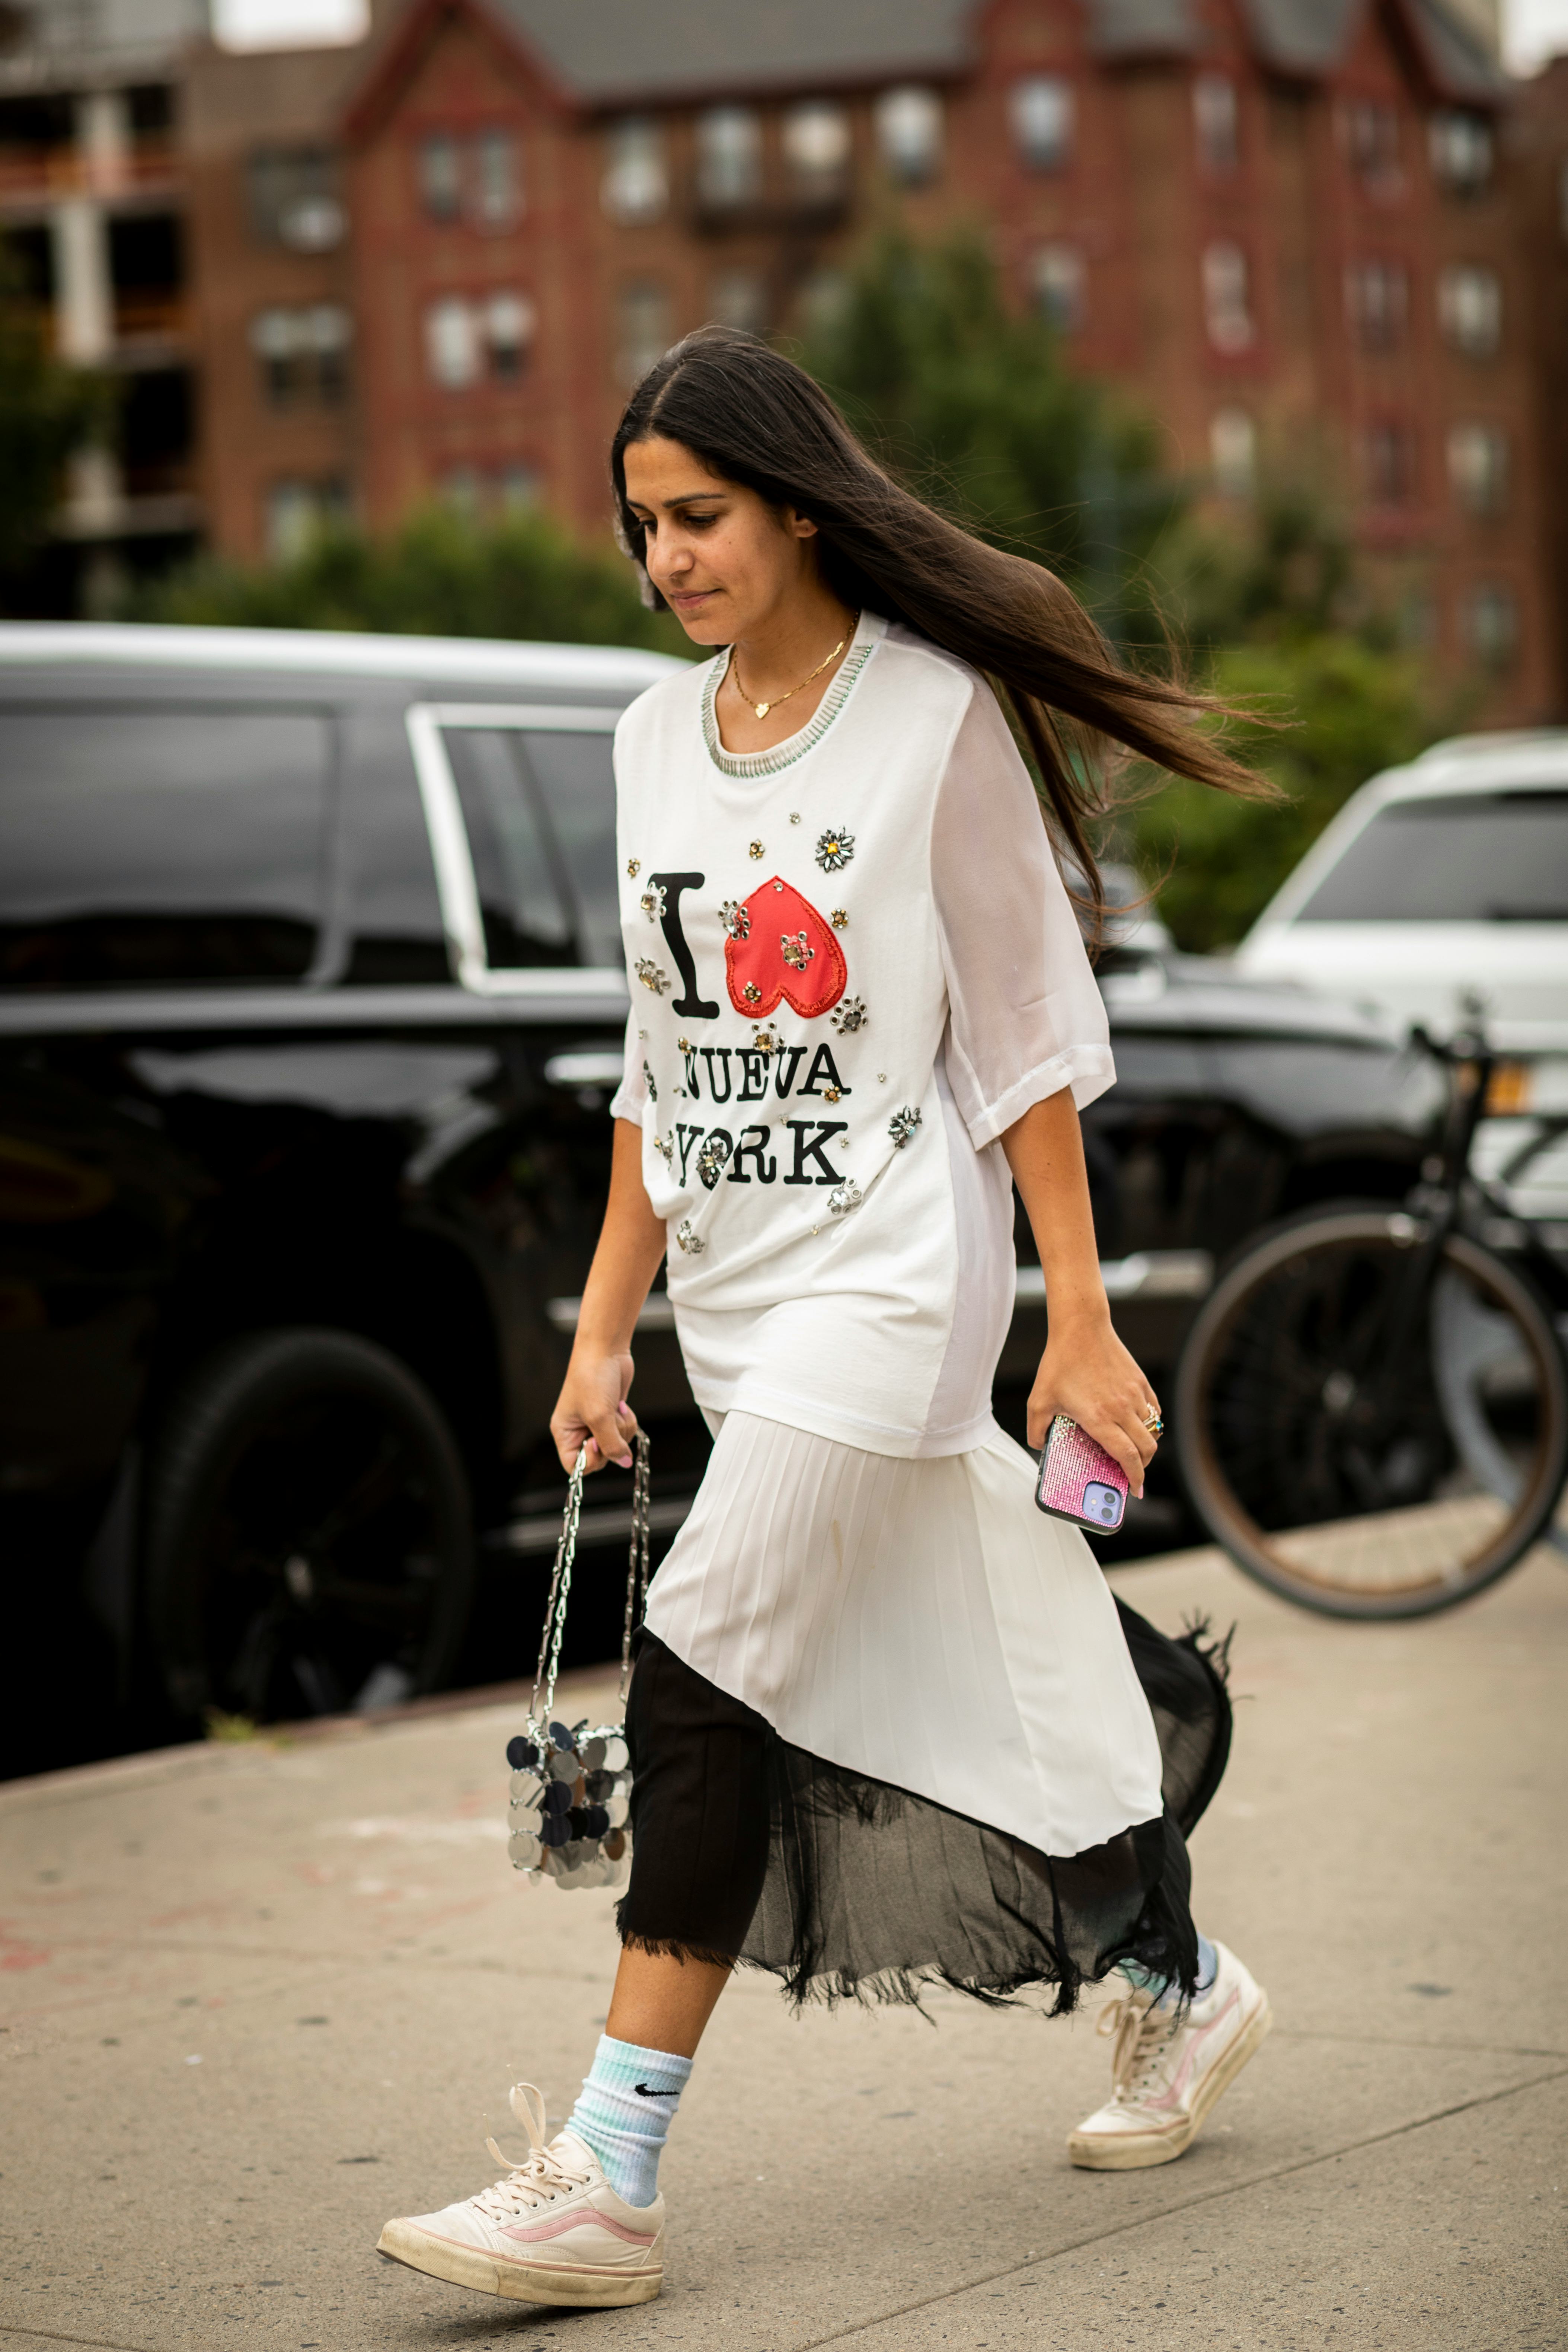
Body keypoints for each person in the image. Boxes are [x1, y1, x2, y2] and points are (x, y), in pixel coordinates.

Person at [379, 327, 1273, 2311]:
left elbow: (1024, 1034)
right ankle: (1182, 1978)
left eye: (697, 517)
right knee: (970, 1663)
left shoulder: (930, 718)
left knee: (707, 1650)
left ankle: (606, 2174)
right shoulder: (648, 738)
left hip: (895, 1269)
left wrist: (1075, 1316)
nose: (666, 561)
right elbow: (657, 1056)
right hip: (737, 1290)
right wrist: (601, 1329)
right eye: (641, 528)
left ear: (795, 504)